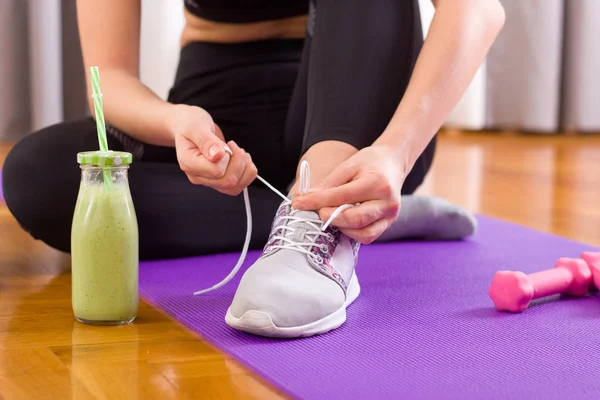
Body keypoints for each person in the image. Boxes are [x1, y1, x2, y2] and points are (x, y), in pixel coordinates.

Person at [2, 0, 505, 337]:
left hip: (368, 118)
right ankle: (332, 217)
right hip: (222, 105)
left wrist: (395, 153)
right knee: (41, 174)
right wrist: (174, 121)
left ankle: (327, 212)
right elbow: (107, 74)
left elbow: (478, 11)